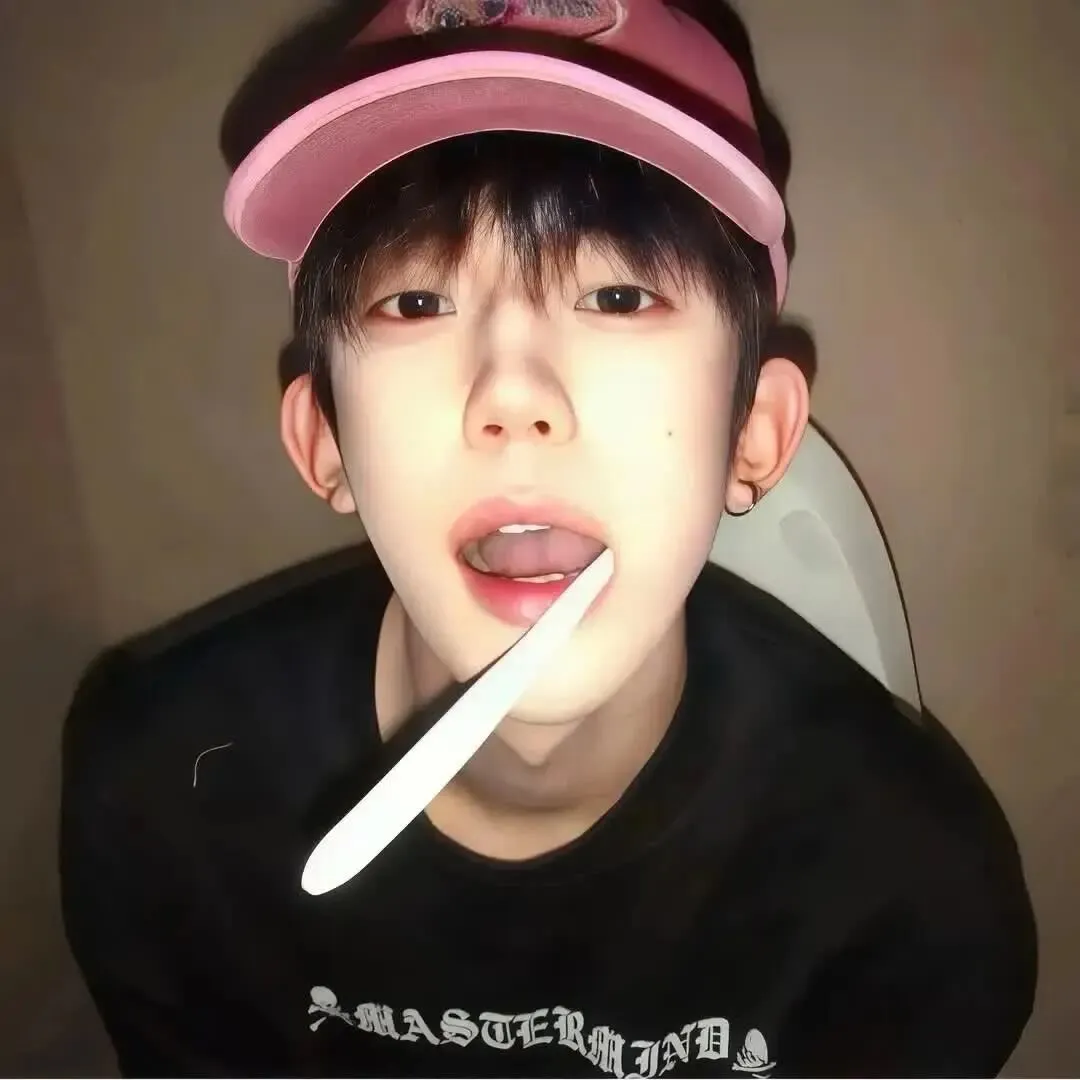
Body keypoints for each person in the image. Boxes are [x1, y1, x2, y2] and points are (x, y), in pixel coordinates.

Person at [61, 1, 1037, 1076]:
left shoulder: (915, 897)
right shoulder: (157, 797)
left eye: (618, 294)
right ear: (324, 439)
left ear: (754, 433)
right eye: (415, 302)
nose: (513, 395)